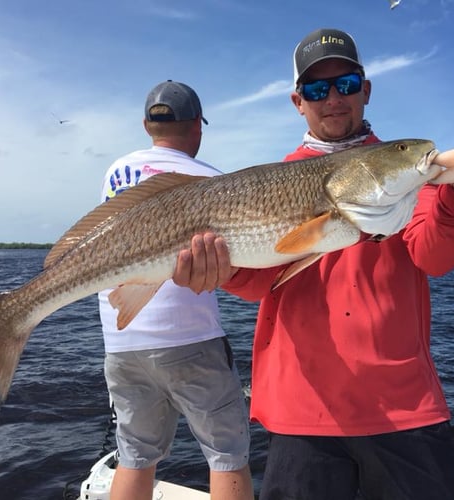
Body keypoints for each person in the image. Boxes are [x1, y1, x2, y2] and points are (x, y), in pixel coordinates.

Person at [172, 28, 454, 500]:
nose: (333, 98)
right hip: (302, 408)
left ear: (366, 90)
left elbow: (433, 256)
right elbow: (258, 284)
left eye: (346, 84)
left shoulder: (407, 166)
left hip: (403, 406)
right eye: (316, 89)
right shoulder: (269, 183)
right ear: (298, 101)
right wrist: (216, 271)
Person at [98, 80, 253, 500]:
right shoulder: (211, 180)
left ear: (147, 124)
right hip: (190, 339)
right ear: (197, 129)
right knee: (227, 453)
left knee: (134, 455)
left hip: (121, 341)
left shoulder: (116, 171)